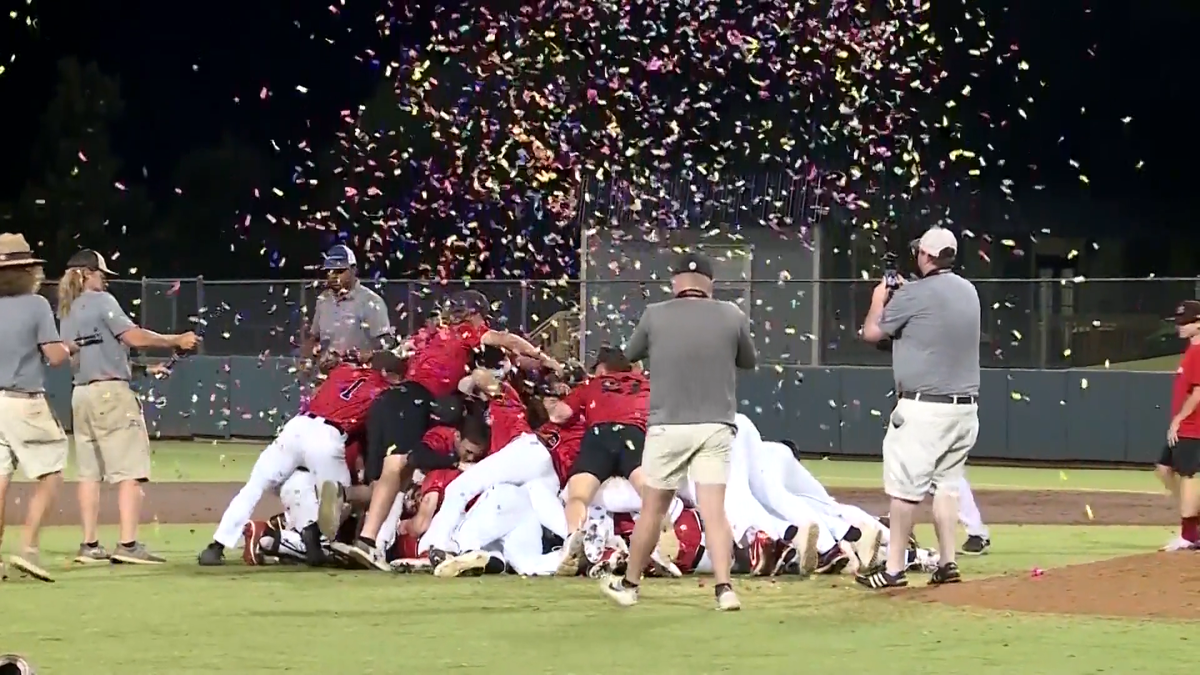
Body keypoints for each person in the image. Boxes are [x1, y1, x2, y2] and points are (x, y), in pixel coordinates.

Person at [335, 289, 560, 569]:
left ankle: (367, 537)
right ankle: (368, 542)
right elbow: (506, 340)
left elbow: (391, 357)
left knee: (393, 478)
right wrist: (543, 357)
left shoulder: (430, 335)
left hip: (388, 399)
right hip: (413, 400)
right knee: (399, 469)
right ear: (473, 314)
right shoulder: (465, 332)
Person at [602, 250, 757, 611]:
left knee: (653, 510)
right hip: (715, 425)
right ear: (710, 284)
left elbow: (630, 353)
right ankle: (725, 590)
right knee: (714, 511)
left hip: (667, 425)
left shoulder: (656, 314)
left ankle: (629, 585)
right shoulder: (731, 314)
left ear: (675, 283)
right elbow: (748, 360)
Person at [57, 249, 200, 565]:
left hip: (80, 394)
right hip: (111, 395)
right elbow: (133, 336)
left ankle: (90, 545)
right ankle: (128, 544)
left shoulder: (66, 310)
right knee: (131, 472)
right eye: (101, 274)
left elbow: (96, 351)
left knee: (89, 475)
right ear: (88, 274)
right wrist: (176, 339)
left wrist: (141, 370)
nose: (104, 280)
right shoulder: (101, 301)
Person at [858, 226, 980, 589]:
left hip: (925, 409)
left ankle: (893, 570)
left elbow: (872, 333)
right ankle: (948, 562)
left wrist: (881, 297)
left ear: (926, 256)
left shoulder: (915, 294)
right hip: (964, 410)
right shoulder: (969, 291)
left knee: (904, 491)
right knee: (947, 487)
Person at [198, 352, 402, 566]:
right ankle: (314, 538)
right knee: (340, 498)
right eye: (398, 377)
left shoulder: (345, 370)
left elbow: (328, 366)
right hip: (329, 436)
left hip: (297, 427)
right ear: (387, 373)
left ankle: (216, 546)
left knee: (254, 486)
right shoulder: (385, 392)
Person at [0, 233, 71, 582]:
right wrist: (67, 348)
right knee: (52, 468)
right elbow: (55, 356)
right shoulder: (36, 305)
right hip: (20, 399)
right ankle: (27, 548)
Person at [1156, 300, 1200, 551]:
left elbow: (1198, 392)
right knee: (1164, 469)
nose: (1181, 327)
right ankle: (1194, 518)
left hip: (1193, 425)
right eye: (1179, 322)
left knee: (1188, 476)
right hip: (1185, 426)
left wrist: (1179, 419)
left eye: (1187, 322)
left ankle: (1189, 533)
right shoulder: (1190, 350)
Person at [304, 244, 393, 365]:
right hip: (325, 374)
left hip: (357, 375)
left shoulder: (371, 301)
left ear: (353, 270)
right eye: (330, 272)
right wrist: (308, 357)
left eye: (340, 271)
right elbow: (314, 337)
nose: (334, 276)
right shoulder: (323, 301)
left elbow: (386, 340)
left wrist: (366, 354)